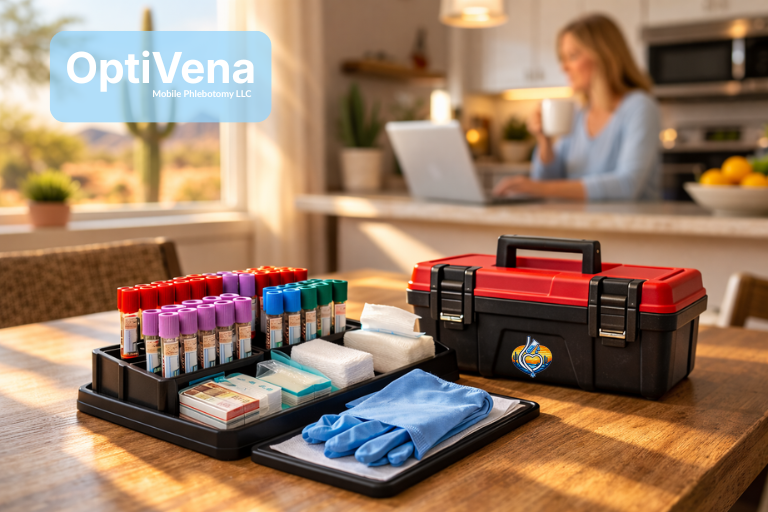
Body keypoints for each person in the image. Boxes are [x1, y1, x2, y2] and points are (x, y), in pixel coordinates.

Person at [493, 14, 661, 201]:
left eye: (572, 56)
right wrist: (544, 140)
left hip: (630, 220)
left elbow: (628, 185)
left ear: (604, 55)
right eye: (562, 58)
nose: (563, 67)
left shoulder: (639, 107)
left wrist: (538, 188)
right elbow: (548, 182)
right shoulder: (578, 115)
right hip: (579, 219)